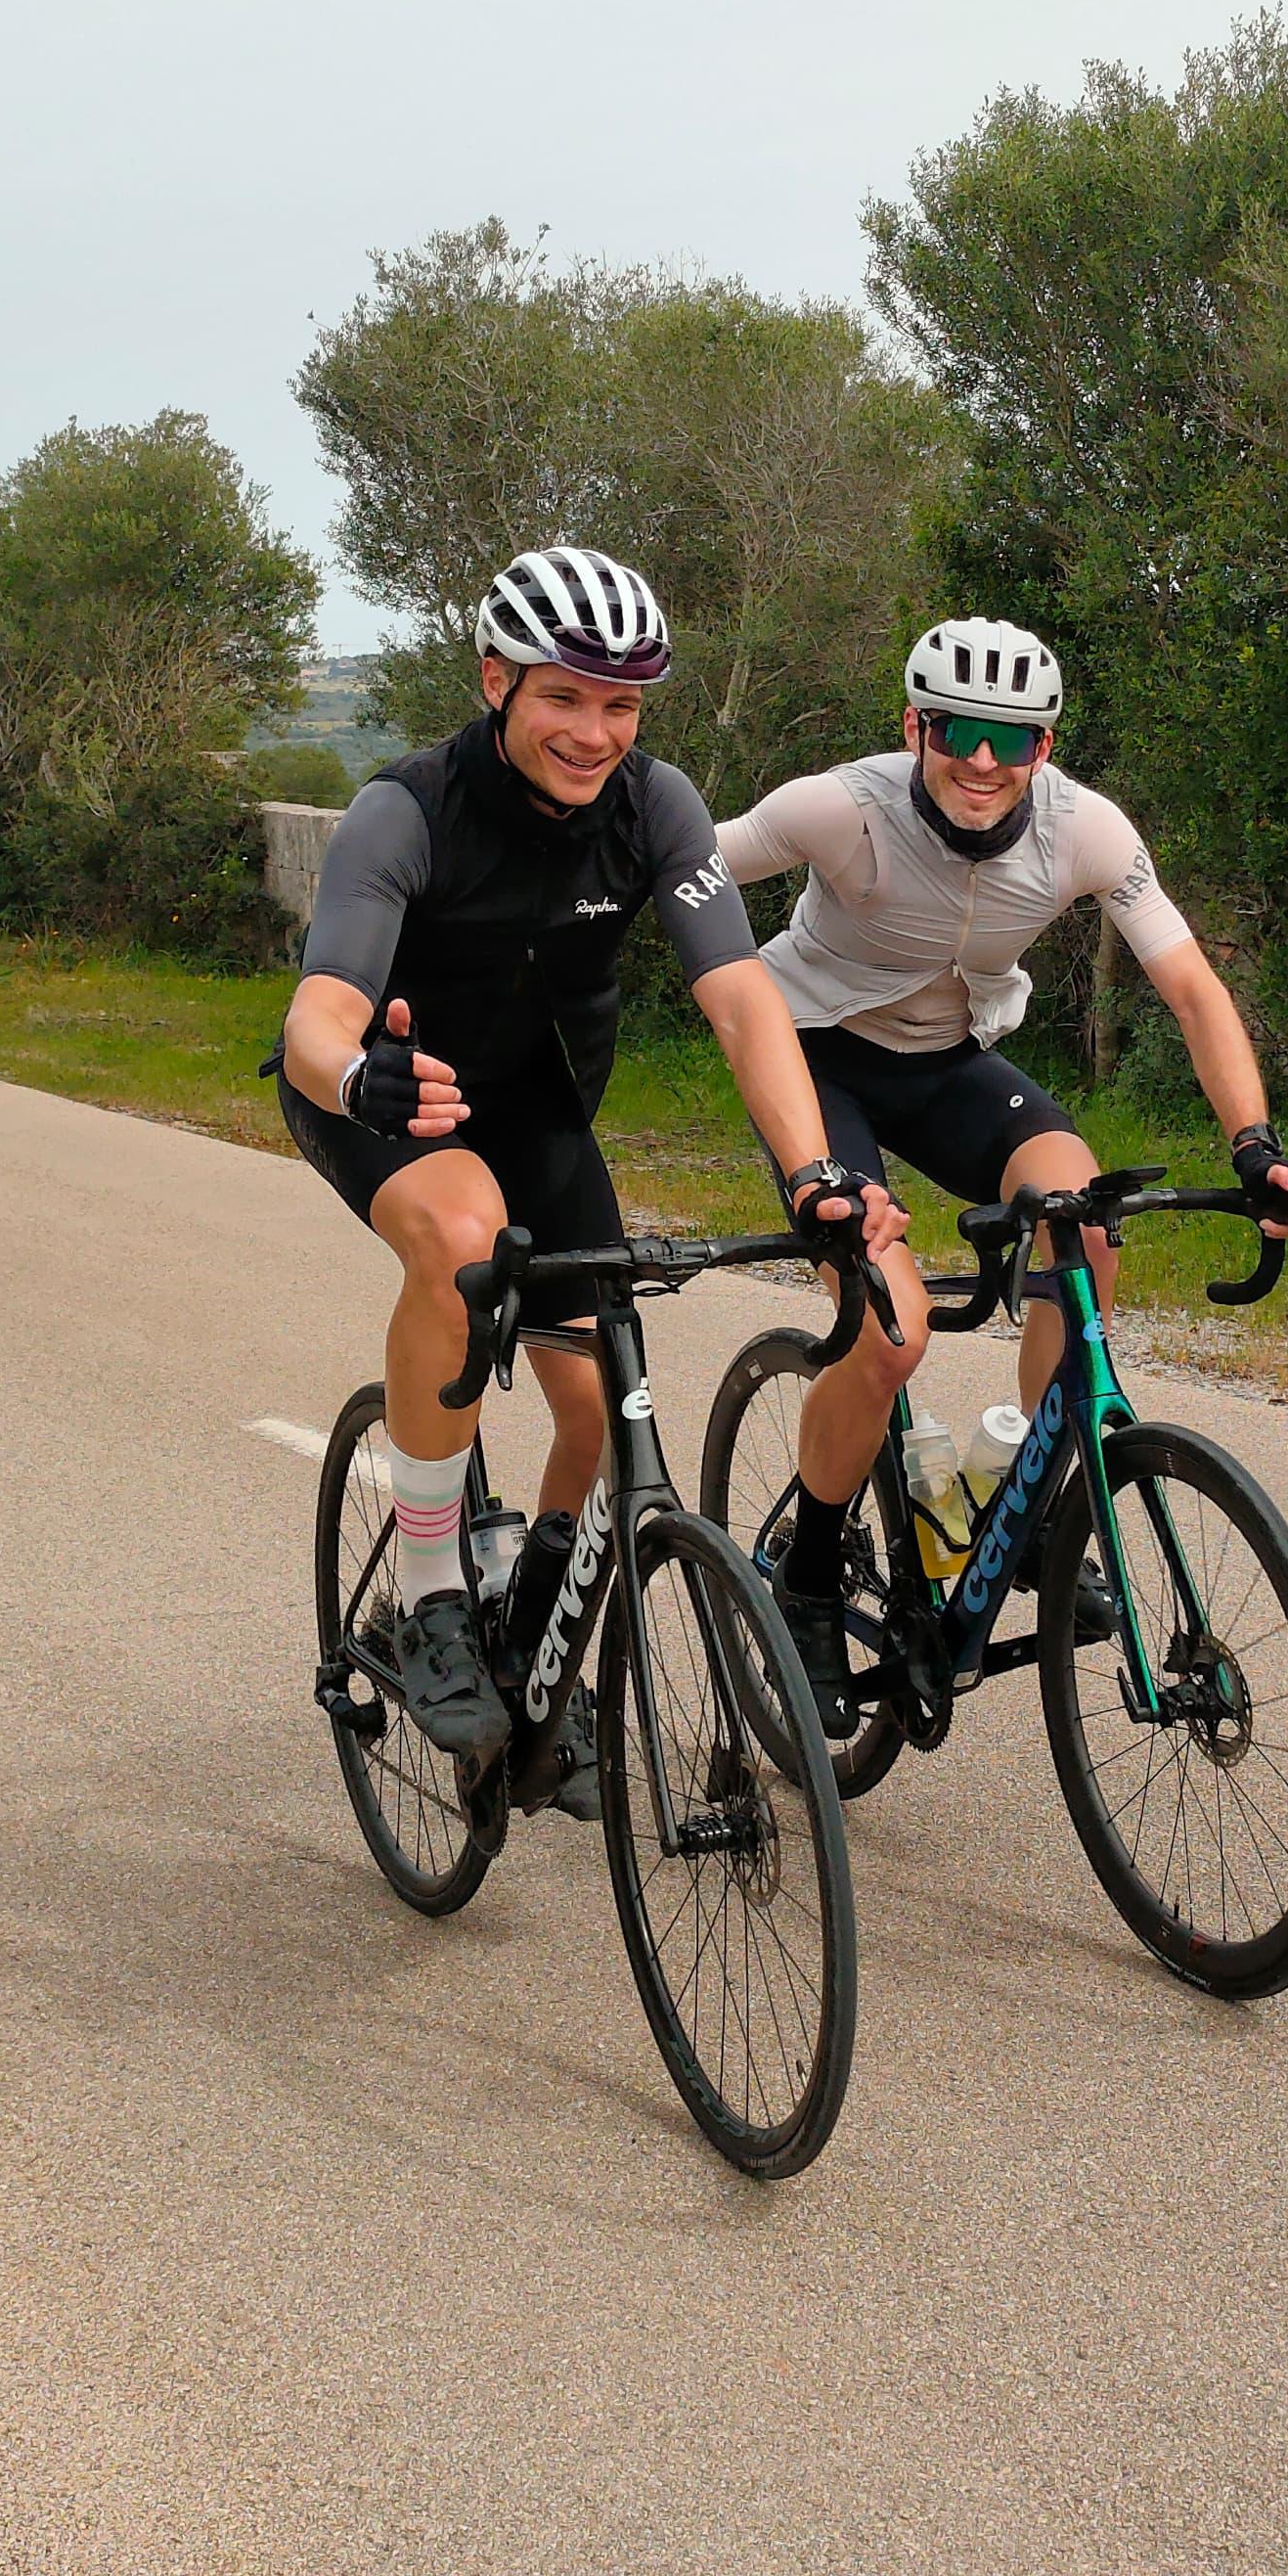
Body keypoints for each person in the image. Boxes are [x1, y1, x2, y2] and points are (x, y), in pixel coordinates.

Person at [273, 544, 895, 1812]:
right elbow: (319, 1015)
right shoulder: (410, 809)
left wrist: (815, 1174)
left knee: (596, 1416)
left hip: (536, 1106)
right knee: (460, 1234)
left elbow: (741, 1003)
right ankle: (433, 1596)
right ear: (497, 680)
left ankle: (537, 1654)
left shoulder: (656, 808)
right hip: (392, 1090)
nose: (594, 731)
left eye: (621, 705)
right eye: (564, 696)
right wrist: (356, 1080)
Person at [714, 616, 1288, 1666]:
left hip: (950, 1063)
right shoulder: (834, 809)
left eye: (1014, 738)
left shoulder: (1084, 829)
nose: (983, 761)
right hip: (815, 1060)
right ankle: (808, 1582)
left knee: (1084, 1230)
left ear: (1045, 746)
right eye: (956, 729)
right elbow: (686, 879)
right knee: (890, 1331)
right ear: (914, 726)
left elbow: (1189, 988)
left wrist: (1254, 1145)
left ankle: (1037, 1514)